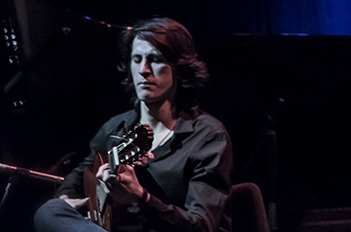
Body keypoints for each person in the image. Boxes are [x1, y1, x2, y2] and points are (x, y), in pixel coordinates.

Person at [34, 17, 233, 232]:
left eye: (155, 59)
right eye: (136, 59)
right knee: (50, 210)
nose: (143, 70)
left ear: (179, 68)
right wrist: (68, 199)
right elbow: (79, 176)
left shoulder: (207, 136)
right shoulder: (116, 128)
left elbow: (203, 226)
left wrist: (143, 198)